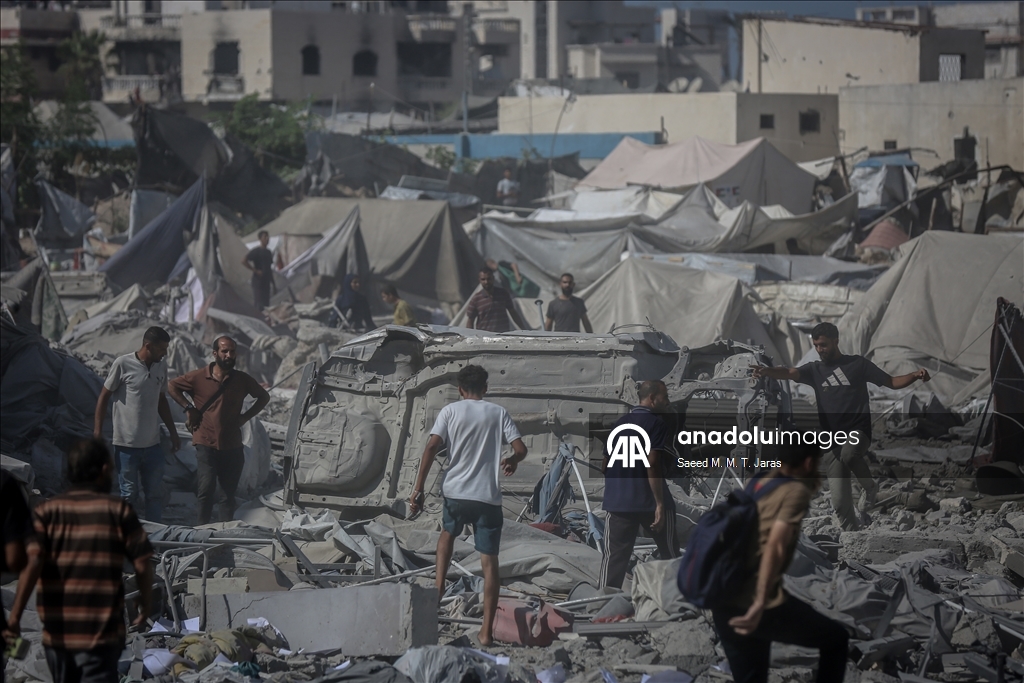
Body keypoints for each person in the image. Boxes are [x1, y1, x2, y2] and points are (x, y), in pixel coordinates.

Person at [750, 322, 931, 530]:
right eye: (816, 346)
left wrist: (915, 376)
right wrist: (767, 371)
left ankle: (870, 487)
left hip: (858, 431)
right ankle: (852, 537)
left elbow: (891, 382)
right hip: (832, 441)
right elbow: (790, 372)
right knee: (839, 503)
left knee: (849, 454)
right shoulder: (815, 370)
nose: (819, 350)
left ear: (836, 341)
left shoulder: (857, 365)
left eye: (823, 345)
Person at [4, 439, 155, 683]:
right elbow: (142, 563)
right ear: (103, 470)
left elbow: (32, 565)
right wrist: (145, 603)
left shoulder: (46, 512)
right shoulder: (118, 511)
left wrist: (14, 618)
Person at [710, 442, 849, 683]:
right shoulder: (793, 491)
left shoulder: (759, 481)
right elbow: (774, 547)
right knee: (836, 639)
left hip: (721, 594)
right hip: (751, 599)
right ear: (808, 463)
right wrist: (759, 603)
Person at [408, 365, 527, 646]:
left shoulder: (450, 411)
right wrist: (512, 460)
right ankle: (485, 633)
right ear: (485, 388)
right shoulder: (498, 413)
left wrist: (418, 489)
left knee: (447, 535)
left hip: (456, 493)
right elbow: (521, 449)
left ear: (460, 390)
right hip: (487, 497)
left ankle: (438, 588)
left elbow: (431, 446)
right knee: (489, 563)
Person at [168, 336, 270, 525]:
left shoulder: (241, 379)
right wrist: (189, 408)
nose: (229, 355)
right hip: (206, 442)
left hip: (232, 444)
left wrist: (245, 417)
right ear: (215, 353)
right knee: (206, 490)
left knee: (227, 495)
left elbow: (264, 397)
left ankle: (224, 532)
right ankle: (202, 530)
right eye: (225, 351)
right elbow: (172, 386)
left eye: (232, 351)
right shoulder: (199, 377)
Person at [94, 326, 181, 523]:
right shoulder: (122, 364)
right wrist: (97, 432)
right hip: (126, 446)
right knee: (129, 495)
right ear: (148, 346)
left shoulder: (160, 366)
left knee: (154, 495)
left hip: (153, 446)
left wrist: (173, 432)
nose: (165, 353)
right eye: (162, 348)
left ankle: (154, 535)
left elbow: (161, 400)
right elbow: (104, 396)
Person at [599, 380, 679, 588]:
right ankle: (675, 597)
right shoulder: (657, 424)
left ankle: (603, 601)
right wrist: (659, 504)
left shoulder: (619, 424)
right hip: (649, 501)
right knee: (670, 555)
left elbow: (605, 465)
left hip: (618, 503)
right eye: (665, 397)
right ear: (652, 399)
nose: (668, 401)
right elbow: (652, 464)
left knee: (613, 557)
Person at [466, 268, 528, 333]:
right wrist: (469, 335)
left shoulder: (503, 294)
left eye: (489, 279)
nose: (486, 282)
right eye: (483, 279)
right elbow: (470, 321)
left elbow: (513, 312)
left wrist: (523, 329)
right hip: (484, 336)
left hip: (502, 334)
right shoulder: (476, 299)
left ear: (493, 278)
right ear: (479, 280)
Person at [242, 231, 275, 311]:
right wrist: (255, 271)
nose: (267, 239)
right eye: (265, 237)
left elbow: (269, 269)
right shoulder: (256, 251)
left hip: (266, 282)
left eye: (268, 237)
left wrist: (274, 284)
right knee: (259, 304)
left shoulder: (268, 252)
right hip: (258, 281)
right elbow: (244, 261)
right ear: (260, 239)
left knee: (266, 305)